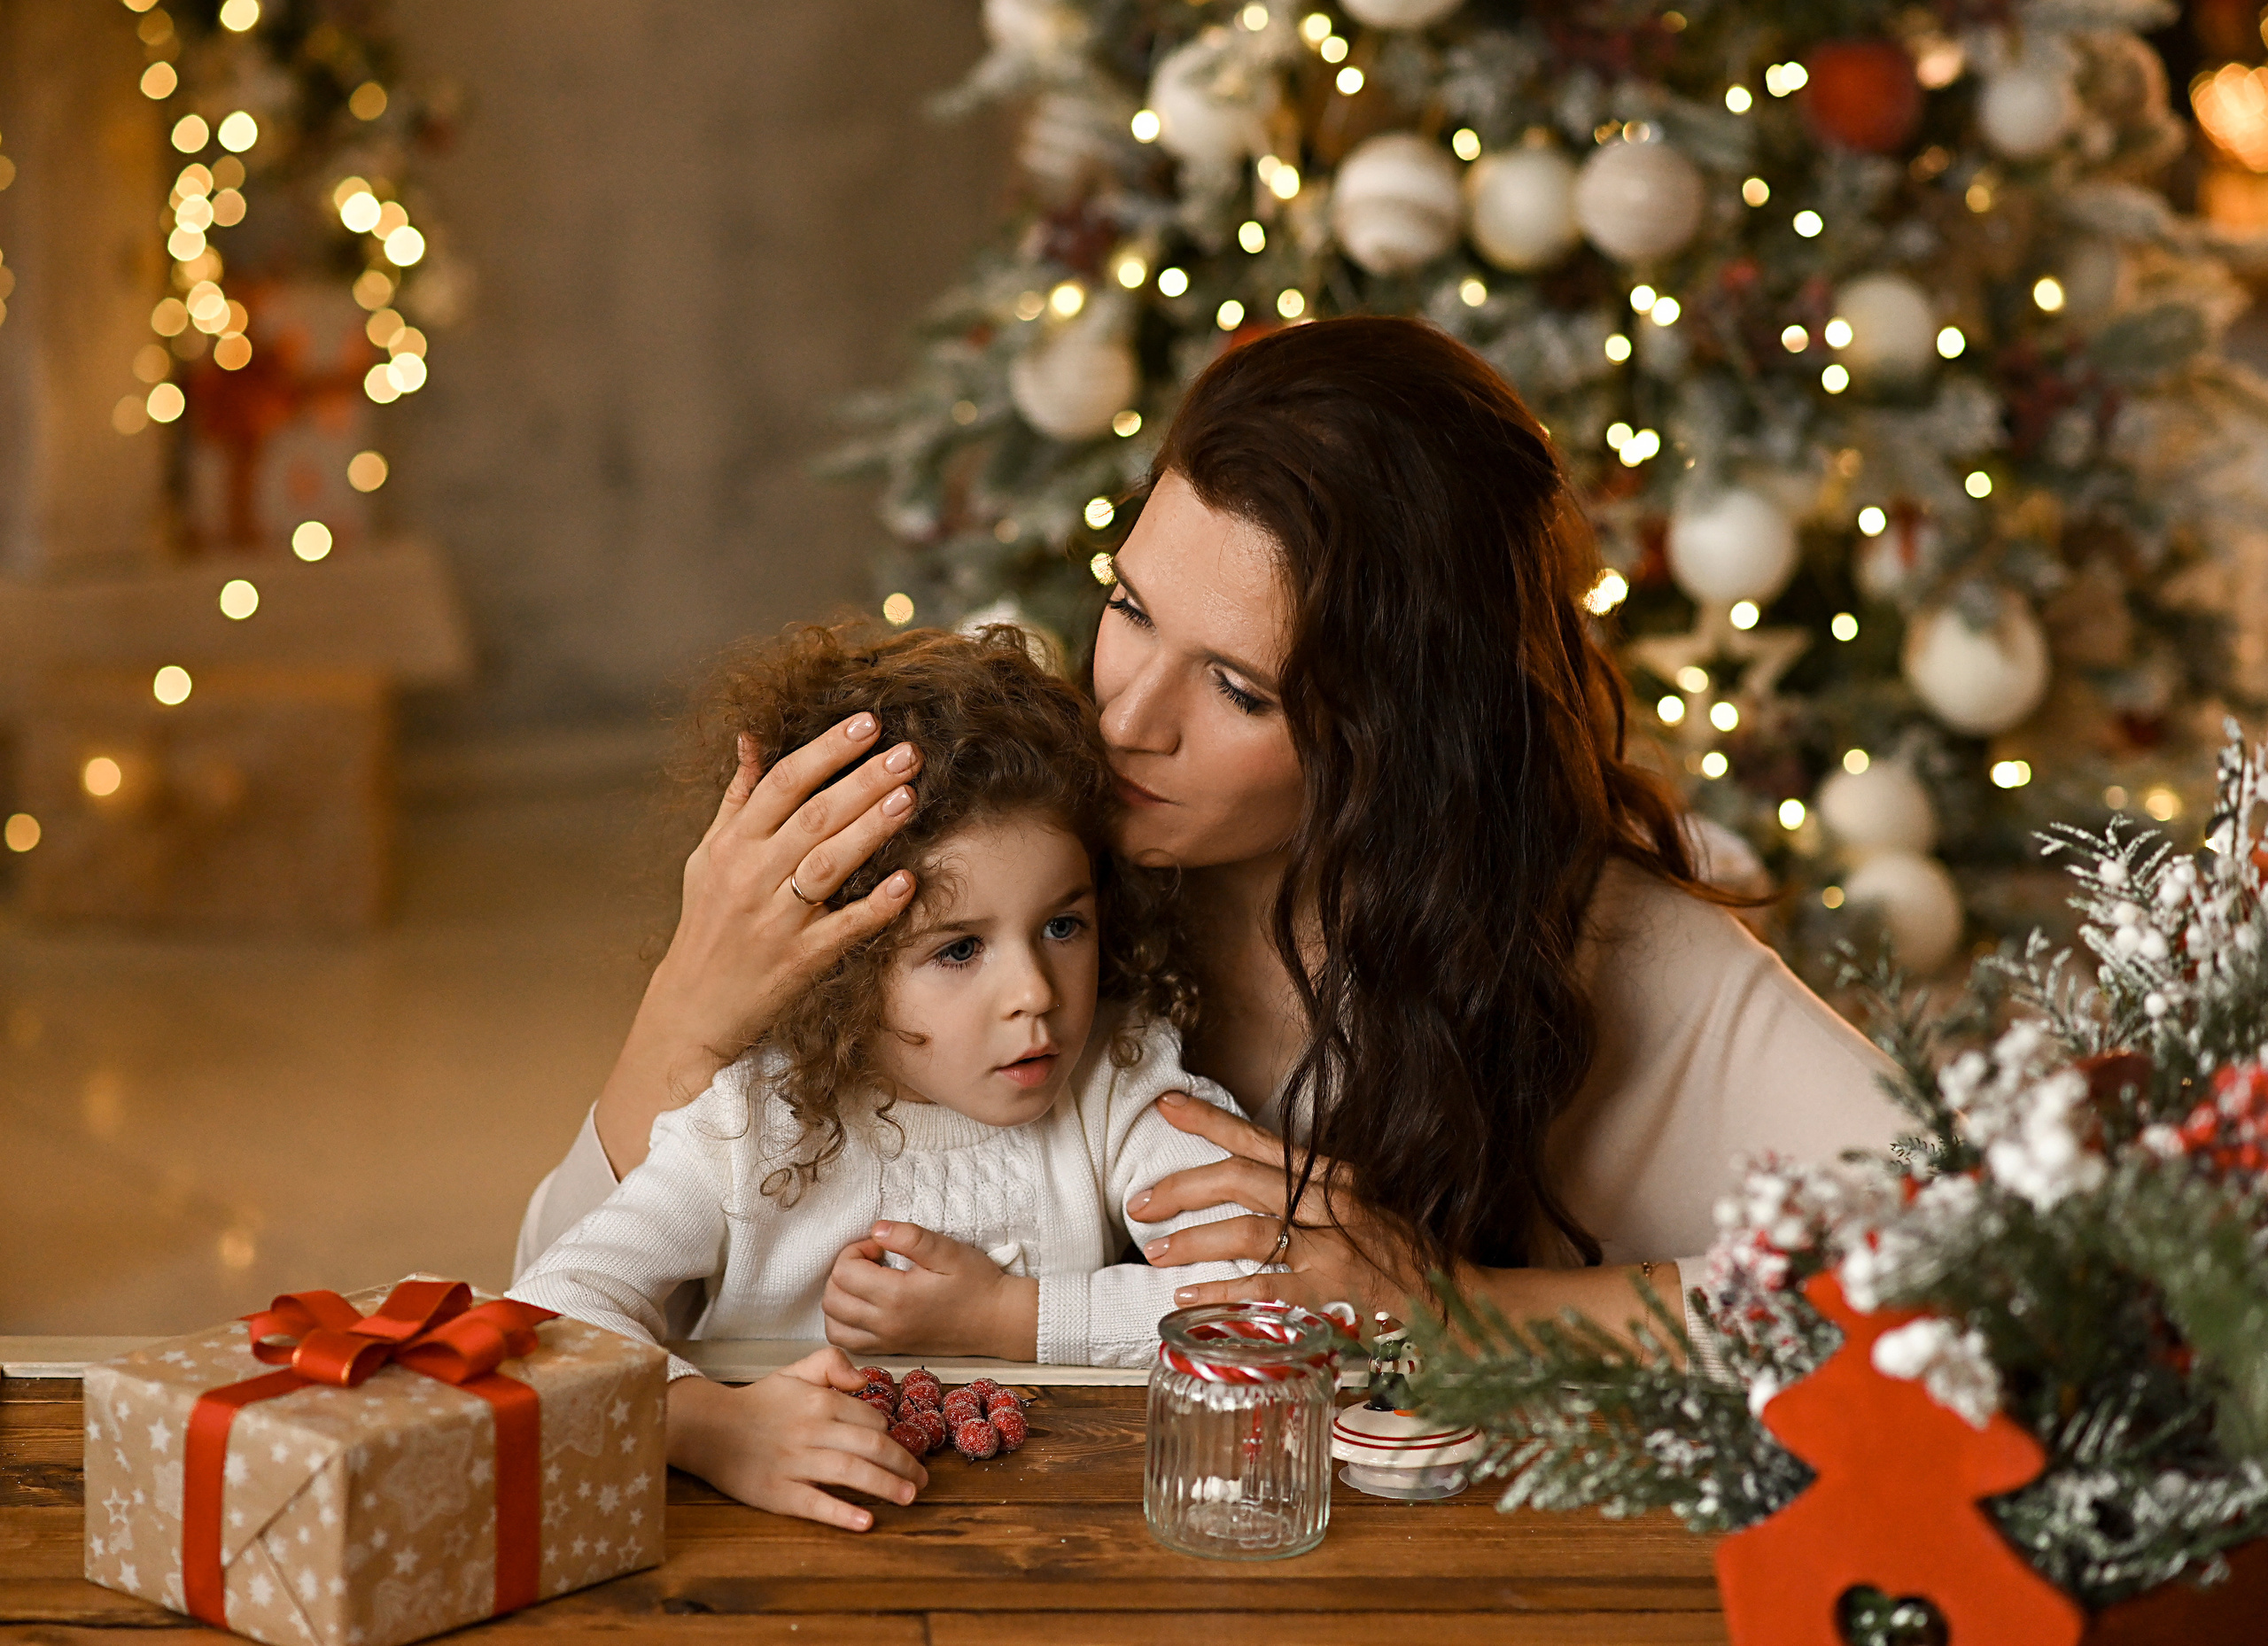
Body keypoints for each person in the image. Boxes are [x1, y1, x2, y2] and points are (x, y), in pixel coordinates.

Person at [517, 314, 1904, 1364]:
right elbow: (551, 1315)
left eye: (1237, 689)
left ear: (1401, 732)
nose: (1123, 715)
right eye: (1128, 608)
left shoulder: (1613, 946)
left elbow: (1964, 1262)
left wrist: (1465, 1308)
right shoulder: (1031, 860)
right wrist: (687, 1012)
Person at [511, 624, 1255, 1529]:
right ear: (846, 964)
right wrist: (710, 1426)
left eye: (1063, 926)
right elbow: (548, 1313)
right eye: (959, 948)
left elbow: (1265, 1291)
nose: (1033, 995)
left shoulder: (1116, 1077)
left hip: (1056, 1545)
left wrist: (1011, 1319)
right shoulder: (753, 1123)